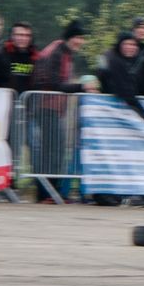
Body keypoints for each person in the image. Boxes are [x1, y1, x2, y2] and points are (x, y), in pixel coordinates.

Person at [32, 19, 98, 203]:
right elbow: (54, 83)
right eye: (77, 37)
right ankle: (46, 194)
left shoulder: (65, 52)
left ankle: (52, 192)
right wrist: (81, 86)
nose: (80, 41)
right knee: (51, 152)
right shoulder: (57, 52)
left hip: (53, 108)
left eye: (82, 38)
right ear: (69, 37)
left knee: (57, 151)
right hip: (45, 106)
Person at [97, 32, 144, 120]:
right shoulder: (112, 59)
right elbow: (123, 89)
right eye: (127, 44)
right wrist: (143, 112)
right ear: (120, 44)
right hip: (106, 107)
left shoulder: (127, 61)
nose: (131, 47)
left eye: (133, 45)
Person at [0, 22, 40, 94]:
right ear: (12, 36)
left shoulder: (34, 55)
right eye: (20, 35)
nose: (24, 38)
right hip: (3, 99)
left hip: (27, 100)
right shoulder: (0, 54)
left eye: (27, 35)